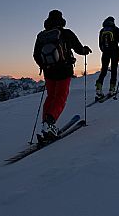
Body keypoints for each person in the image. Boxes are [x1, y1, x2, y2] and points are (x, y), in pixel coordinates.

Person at [33, 9, 92, 139]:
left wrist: (44, 66)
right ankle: (50, 123)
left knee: (50, 97)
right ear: (61, 20)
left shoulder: (41, 36)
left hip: (49, 72)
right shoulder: (66, 33)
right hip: (64, 70)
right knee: (61, 96)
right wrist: (85, 50)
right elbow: (79, 49)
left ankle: (46, 124)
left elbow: (36, 55)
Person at [95, 16, 119, 98]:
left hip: (105, 53)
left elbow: (100, 44)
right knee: (113, 70)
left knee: (104, 70)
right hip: (114, 52)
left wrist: (104, 51)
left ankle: (99, 87)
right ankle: (112, 89)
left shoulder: (102, 30)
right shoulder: (115, 29)